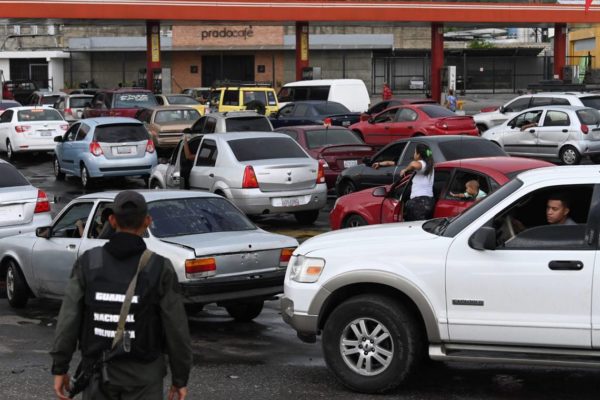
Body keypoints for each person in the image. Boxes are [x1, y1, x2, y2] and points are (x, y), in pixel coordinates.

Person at [51, 190, 191, 400]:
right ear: (148, 221)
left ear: (112, 221)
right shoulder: (159, 267)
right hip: (144, 377)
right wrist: (180, 379)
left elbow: (68, 320)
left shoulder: (89, 263)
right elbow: (176, 327)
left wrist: (60, 367)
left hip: (97, 374)